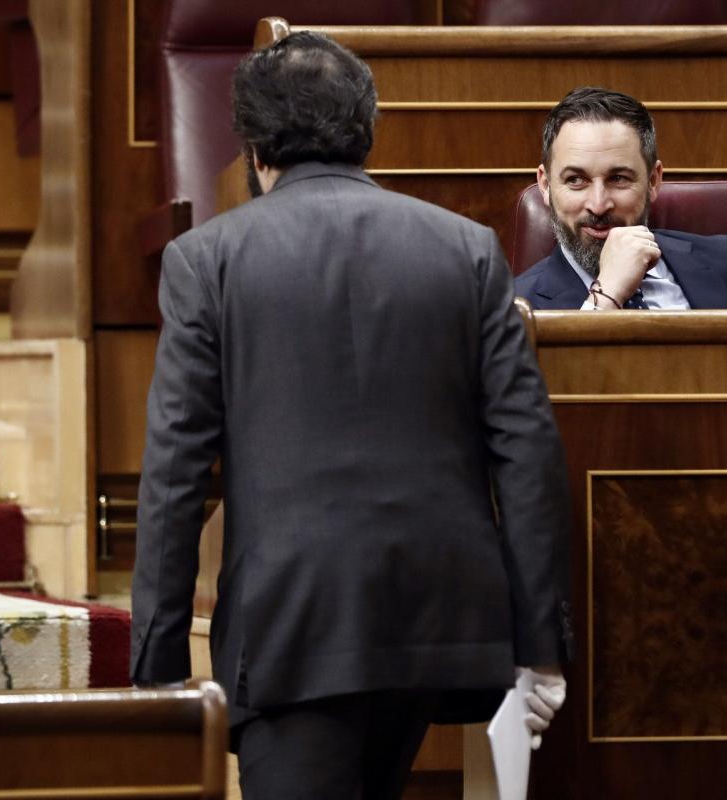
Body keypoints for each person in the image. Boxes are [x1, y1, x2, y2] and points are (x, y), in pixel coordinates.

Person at [130, 32, 573, 800]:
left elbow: (176, 474)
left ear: (254, 148)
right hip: (437, 619)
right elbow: (526, 449)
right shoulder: (467, 249)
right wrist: (541, 644)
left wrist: (158, 672)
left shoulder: (207, 259)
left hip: (292, 629)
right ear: (366, 131)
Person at [516, 86, 727, 311]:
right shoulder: (513, 307)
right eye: (576, 180)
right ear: (546, 185)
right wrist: (606, 296)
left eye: (619, 178)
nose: (599, 205)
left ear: (653, 181)